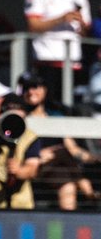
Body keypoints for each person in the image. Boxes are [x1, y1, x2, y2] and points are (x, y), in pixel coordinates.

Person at [18, 71, 98, 210]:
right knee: (60, 152)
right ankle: (87, 189)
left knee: (67, 183)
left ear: (44, 89)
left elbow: (72, 148)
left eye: (35, 86)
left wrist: (95, 158)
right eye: (26, 88)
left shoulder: (55, 116)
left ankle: (70, 225)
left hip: (56, 168)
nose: (31, 92)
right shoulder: (19, 116)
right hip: (31, 165)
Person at [24, 0, 91, 93]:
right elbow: (33, 26)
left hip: (73, 60)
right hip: (47, 60)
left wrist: (81, 22)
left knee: (70, 105)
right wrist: (61, 19)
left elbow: (86, 32)